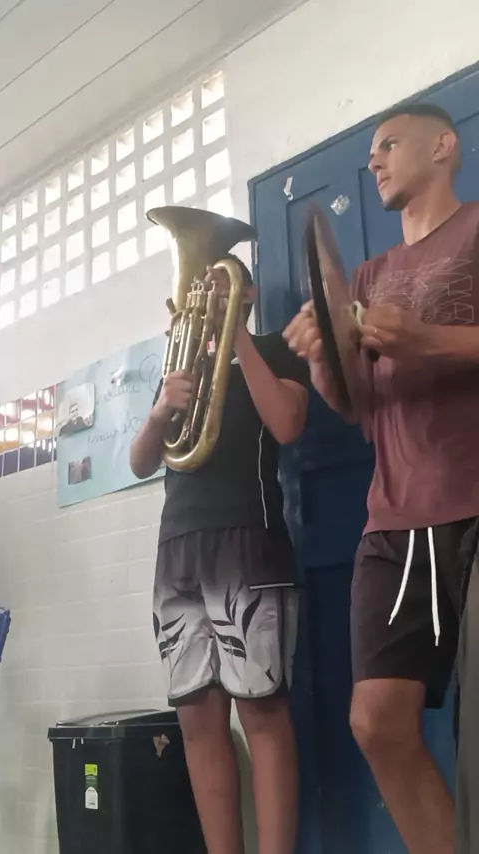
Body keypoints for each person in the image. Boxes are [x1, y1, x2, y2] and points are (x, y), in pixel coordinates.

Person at [284, 103, 479, 854]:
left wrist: (424, 337)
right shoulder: (366, 277)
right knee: (376, 722)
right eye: (371, 153)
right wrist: (322, 363)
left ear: (444, 145)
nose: (375, 161)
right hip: (395, 521)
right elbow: (359, 407)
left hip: (473, 506)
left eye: (389, 144)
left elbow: (429, 347)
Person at [130, 256, 309, 854]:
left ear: (244, 293)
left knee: (262, 714)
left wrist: (237, 340)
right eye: (200, 284)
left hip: (247, 543)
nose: (205, 293)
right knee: (197, 721)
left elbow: (287, 424)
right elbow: (140, 461)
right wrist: (161, 408)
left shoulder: (275, 351)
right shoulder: (179, 369)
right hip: (177, 552)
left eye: (218, 284)